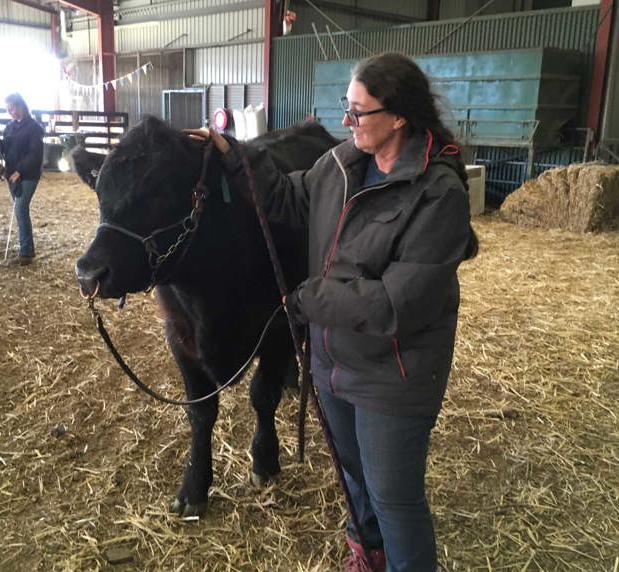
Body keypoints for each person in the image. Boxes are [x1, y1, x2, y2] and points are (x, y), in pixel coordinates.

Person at [190, 52, 478, 572]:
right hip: (333, 362)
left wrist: (307, 299)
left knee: (395, 498)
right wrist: (234, 151)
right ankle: (367, 553)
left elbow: (397, 304)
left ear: (399, 117)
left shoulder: (437, 194)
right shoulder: (341, 164)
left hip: (394, 373)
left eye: (359, 112)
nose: (347, 122)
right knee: (353, 476)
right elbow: (282, 193)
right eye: (346, 109)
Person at [0, 93, 44, 266]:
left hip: (28, 175)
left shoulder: (34, 128)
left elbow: (35, 154)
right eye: (7, 109)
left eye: (11, 108)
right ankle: (26, 248)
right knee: (20, 211)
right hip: (12, 174)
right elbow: (3, 149)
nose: (9, 112)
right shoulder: (10, 127)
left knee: (20, 209)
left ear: (20, 106)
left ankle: (26, 252)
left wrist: (20, 170)